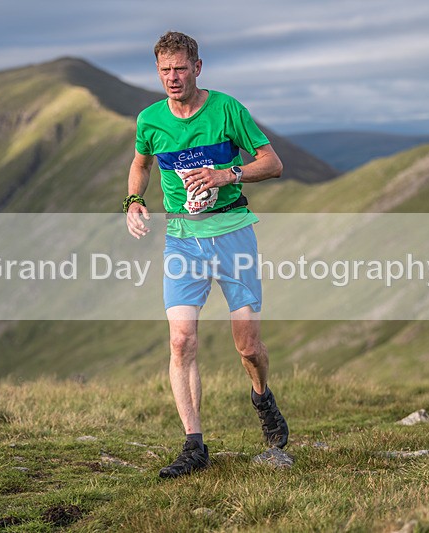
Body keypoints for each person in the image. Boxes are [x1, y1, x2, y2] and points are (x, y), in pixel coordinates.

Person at [125, 31, 288, 479]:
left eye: (180, 68)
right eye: (164, 71)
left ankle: (262, 397)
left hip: (233, 232)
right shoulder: (151, 120)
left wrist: (225, 175)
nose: (172, 78)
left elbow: (272, 163)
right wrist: (133, 201)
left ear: (198, 67)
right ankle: (194, 445)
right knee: (181, 340)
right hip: (182, 238)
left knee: (248, 345)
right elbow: (141, 164)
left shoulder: (227, 109)